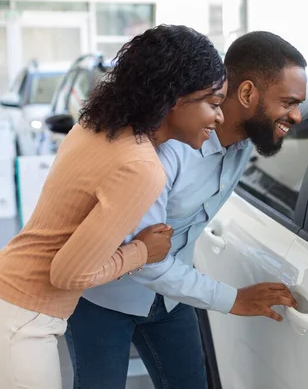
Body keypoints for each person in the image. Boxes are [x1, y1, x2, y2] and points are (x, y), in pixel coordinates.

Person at [66, 31, 308, 389]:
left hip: (171, 297)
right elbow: (146, 260)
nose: (296, 114)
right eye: (288, 103)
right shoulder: (169, 151)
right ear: (246, 93)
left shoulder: (255, 124)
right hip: (105, 300)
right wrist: (235, 299)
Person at [0, 24, 228, 389]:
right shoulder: (140, 165)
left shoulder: (97, 126)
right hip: (25, 317)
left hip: (14, 298)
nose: (218, 118)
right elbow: (66, 274)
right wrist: (142, 251)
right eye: (213, 104)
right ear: (174, 98)